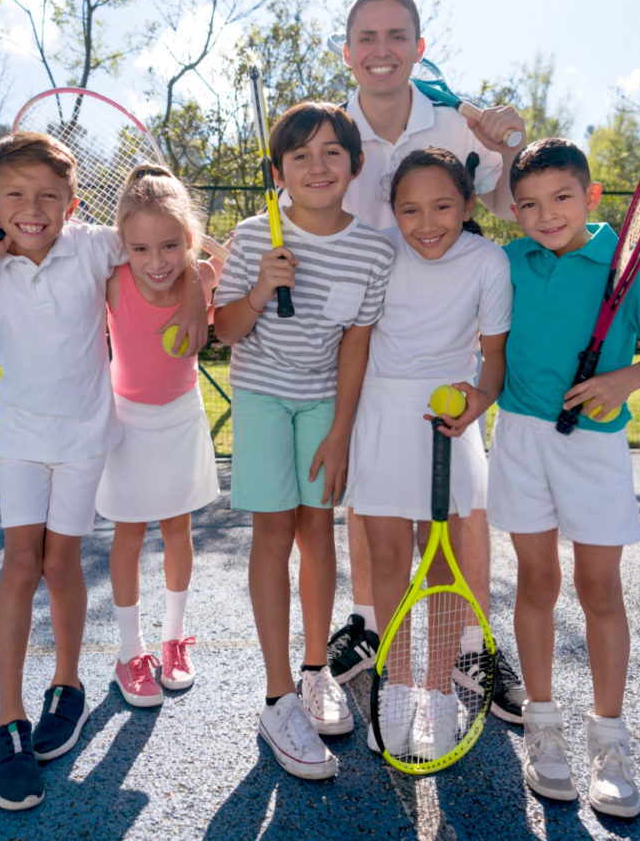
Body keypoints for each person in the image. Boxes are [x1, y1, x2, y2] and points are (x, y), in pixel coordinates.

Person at [0, 133, 207, 812]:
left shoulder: (91, 246)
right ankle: (7, 721)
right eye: (15, 196)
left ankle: (68, 687)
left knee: (61, 564)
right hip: (22, 440)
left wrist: (197, 289)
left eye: (48, 196)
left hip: (86, 437)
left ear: (72, 204)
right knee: (21, 565)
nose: (32, 209)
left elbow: (176, 241)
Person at [326, 0, 531, 725]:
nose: (382, 50)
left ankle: (466, 650)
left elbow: (509, 203)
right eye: (367, 38)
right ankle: (372, 627)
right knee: (370, 499)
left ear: (419, 45)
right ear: (348, 53)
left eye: (396, 36)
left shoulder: (457, 122)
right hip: (362, 330)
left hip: (442, 352)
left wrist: (509, 143)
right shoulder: (333, 129)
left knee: (456, 514)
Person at [490, 137, 640, 817]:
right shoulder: (506, 263)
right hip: (519, 437)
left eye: (561, 198)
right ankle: (543, 731)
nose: (546, 215)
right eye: (528, 205)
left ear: (592, 197)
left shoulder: (629, 265)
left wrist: (626, 377)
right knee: (537, 581)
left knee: (599, 586)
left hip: (595, 446)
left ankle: (610, 741)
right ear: (512, 211)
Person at [213, 101, 394, 780]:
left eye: (330, 153)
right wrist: (261, 288)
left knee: (319, 532)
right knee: (274, 536)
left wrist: (343, 430)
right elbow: (226, 330)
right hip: (260, 396)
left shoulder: (374, 248)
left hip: (325, 403)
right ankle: (278, 694)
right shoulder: (254, 235)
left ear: (355, 164)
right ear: (278, 171)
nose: (316, 166)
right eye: (299, 156)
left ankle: (318, 669)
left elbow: (356, 345)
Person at [347, 147, 511, 759]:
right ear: (392, 213)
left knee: (442, 570)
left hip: (451, 421)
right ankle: (397, 689)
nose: (427, 223)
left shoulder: (488, 262)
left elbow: (492, 359)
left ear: (468, 205)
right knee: (390, 562)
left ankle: (440, 696)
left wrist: (479, 398)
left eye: (443, 206)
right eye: (409, 209)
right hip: (384, 416)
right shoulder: (380, 254)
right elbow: (356, 344)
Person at [96, 165, 226, 707]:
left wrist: (196, 264)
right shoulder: (112, 279)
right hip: (126, 420)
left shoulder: (204, 275)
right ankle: (132, 651)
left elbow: (224, 256)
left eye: (170, 245)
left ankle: (174, 640)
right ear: (123, 246)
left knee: (178, 529)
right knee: (128, 536)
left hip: (180, 417)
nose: (156, 261)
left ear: (188, 240)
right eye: (141, 248)